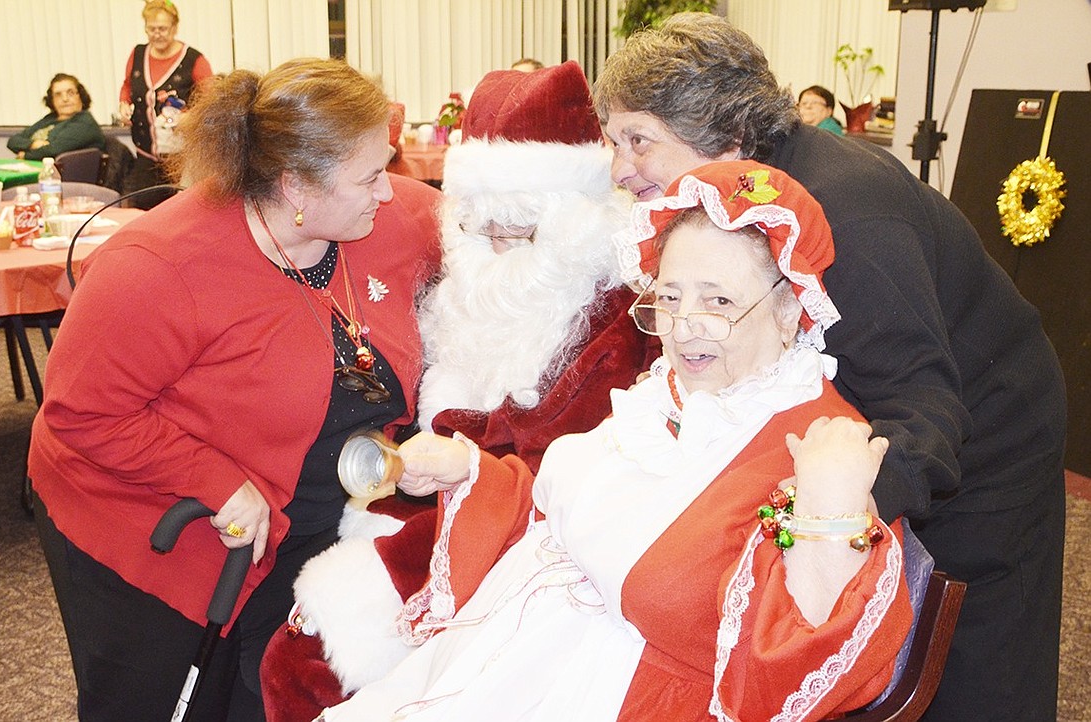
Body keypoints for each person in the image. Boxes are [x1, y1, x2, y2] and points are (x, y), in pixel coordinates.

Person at [314, 160, 913, 721]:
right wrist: (470, 471)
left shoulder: (819, 448)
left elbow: (785, 678)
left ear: (790, 308)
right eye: (670, 298)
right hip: (511, 663)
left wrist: (831, 514)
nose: (685, 328)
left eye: (720, 301)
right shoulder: (663, 396)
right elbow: (570, 511)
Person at [592, 13, 1067, 722]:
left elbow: (925, 407)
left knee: (971, 648)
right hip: (893, 408)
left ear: (724, 134)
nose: (620, 169)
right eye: (613, 141)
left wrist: (827, 514)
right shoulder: (742, 195)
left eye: (638, 141)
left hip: (988, 429)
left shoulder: (851, 214)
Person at [29, 57, 441, 721]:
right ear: (296, 186)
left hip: (301, 521)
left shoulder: (378, 217)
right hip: (151, 524)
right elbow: (83, 414)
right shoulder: (155, 268)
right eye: (370, 177)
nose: (388, 192)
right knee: (166, 701)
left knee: (272, 695)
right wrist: (214, 478)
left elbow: (483, 221)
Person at [259, 60, 651, 722]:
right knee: (294, 652)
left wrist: (448, 460)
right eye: (479, 226)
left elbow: (561, 463)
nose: (493, 247)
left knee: (309, 665)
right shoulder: (465, 278)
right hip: (431, 501)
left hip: (531, 537)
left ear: (572, 223)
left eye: (518, 230)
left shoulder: (611, 314)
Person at [118, 0, 213, 208]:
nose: (157, 34)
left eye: (162, 28)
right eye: (151, 29)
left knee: (179, 212)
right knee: (144, 211)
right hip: (145, 155)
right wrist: (124, 104)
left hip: (180, 159)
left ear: (175, 28)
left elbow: (211, 102)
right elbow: (127, 86)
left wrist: (191, 116)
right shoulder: (138, 54)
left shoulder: (194, 60)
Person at [6, 73, 106, 160]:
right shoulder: (50, 119)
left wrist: (25, 155)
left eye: (70, 93)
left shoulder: (84, 122)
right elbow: (13, 141)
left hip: (67, 179)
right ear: (52, 100)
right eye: (58, 95)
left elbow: (53, 150)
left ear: (80, 96)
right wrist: (34, 144)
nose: (65, 99)